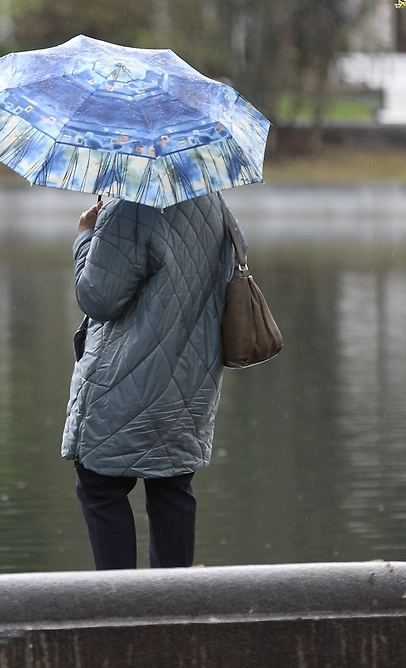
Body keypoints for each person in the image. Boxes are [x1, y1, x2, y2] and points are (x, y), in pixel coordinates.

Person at [62, 192, 239, 570]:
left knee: (100, 487)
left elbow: (97, 298)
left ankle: (119, 601)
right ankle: (173, 601)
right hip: (190, 383)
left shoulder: (128, 207)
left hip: (125, 383)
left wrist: (86, 237)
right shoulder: (212, 202)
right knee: (172, 488)